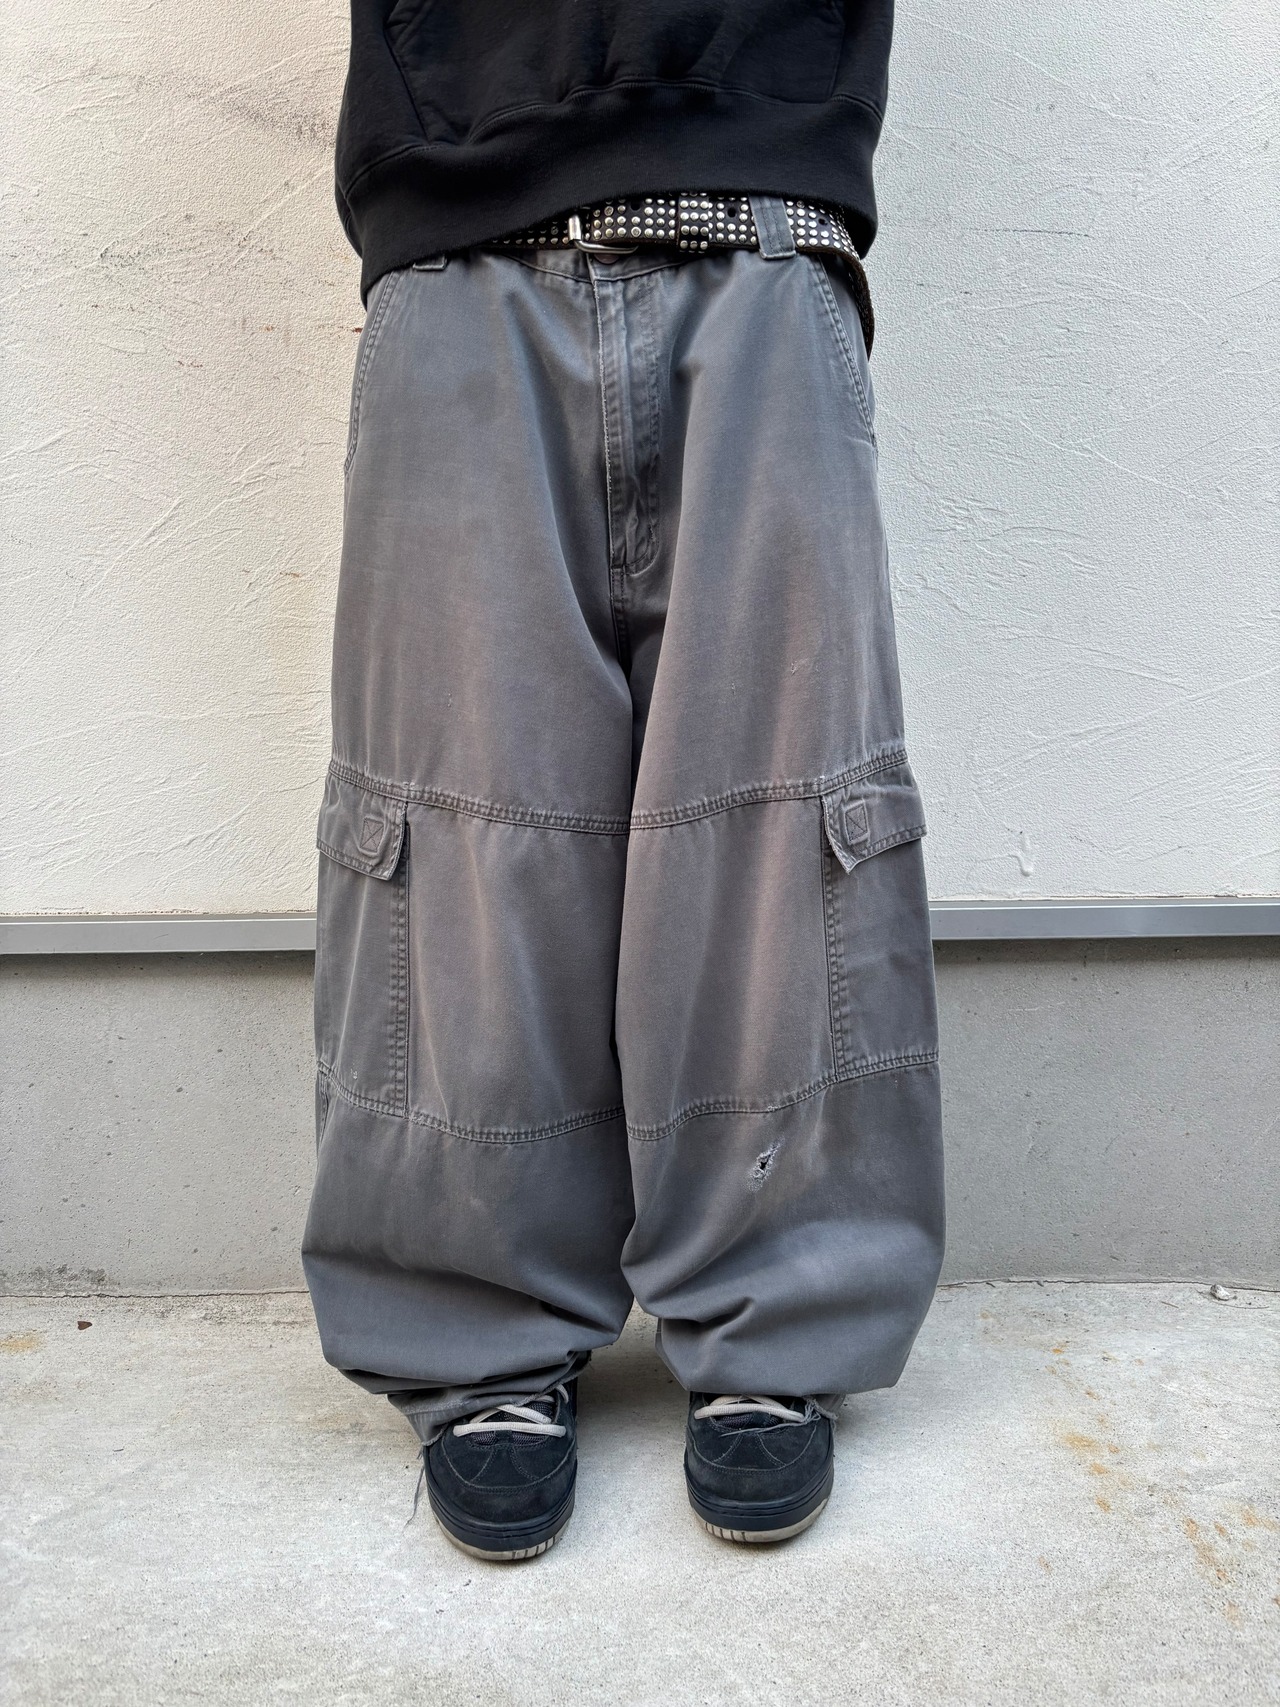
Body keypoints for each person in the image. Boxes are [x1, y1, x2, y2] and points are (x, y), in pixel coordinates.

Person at [303, 0, 944, 1562]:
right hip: (460, 239)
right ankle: (475, 1331)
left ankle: (780, 1320)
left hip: (767, 220)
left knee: (782, 814)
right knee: (462, 819)